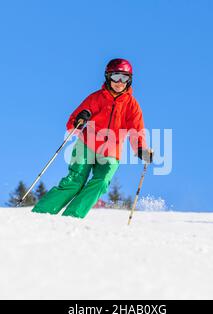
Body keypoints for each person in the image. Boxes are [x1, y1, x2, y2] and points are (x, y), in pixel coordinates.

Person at [32, 58, 153, 218]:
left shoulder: (132, 106)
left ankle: (73, 216)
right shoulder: (96, 98)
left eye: (124, 78)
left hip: (111, 151)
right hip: (87, 145)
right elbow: (72, 123)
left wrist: (140, 149)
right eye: (115, 76)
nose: (119, 82)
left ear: (129, 80)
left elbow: (136, 130)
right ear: (107, 77)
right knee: (75, 180)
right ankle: (42, 212)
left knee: (101, 182)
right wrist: (80, 120)